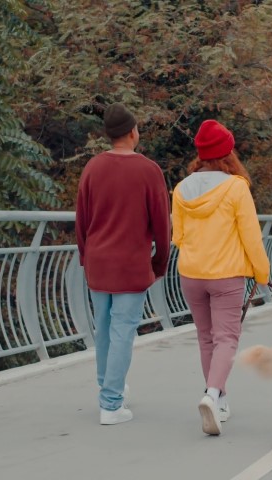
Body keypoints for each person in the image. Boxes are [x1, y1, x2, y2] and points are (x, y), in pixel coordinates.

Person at [171, 119, 270, 436]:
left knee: (206, 337)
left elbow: (179, 237)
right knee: (227, 338)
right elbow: (251, 237)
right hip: (226, 275)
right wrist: (261, 272)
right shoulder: (236, 187)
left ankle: (221, 400)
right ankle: (212, 394)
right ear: (228, 153)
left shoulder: (181, 189)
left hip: (191, 273)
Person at [75, 103, 171, 425]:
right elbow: (162, 226)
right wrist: (159, 265)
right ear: (133, 132)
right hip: (130, 265)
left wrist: (86, 258)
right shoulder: (149, 170)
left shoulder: (92, 168)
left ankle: (108, 389)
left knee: (104, 330)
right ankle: (112, 405)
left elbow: (82, 221)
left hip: (98, 263)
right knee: (123, 332)